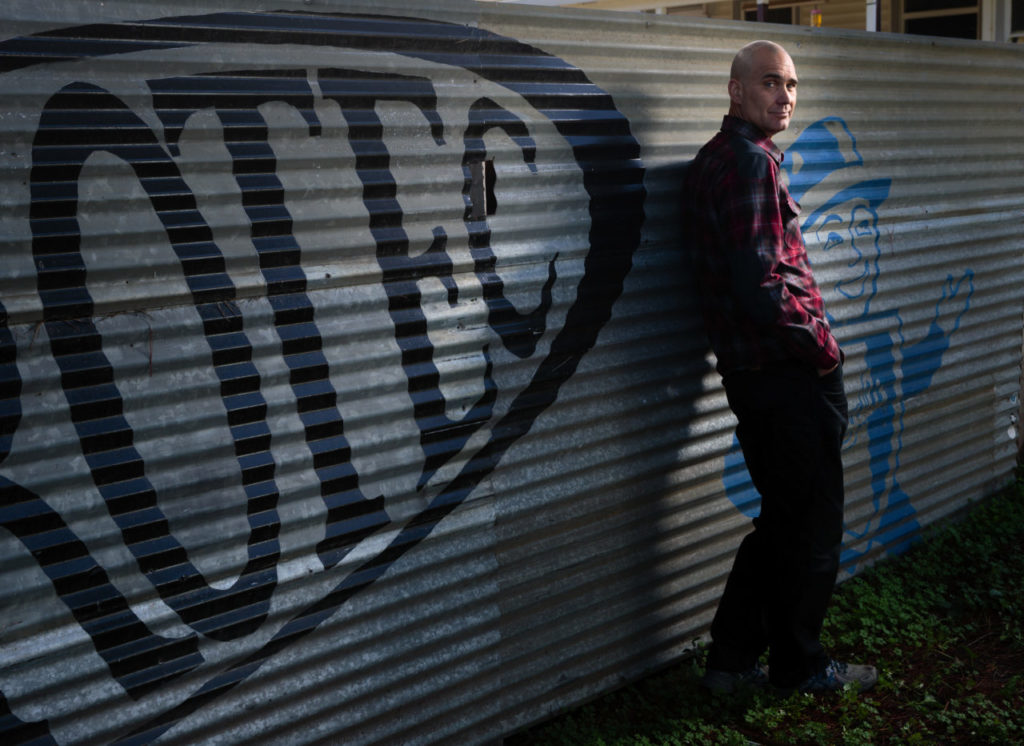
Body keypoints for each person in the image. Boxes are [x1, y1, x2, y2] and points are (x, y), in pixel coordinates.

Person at [681, 40, 878, 695]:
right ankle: (800, 665)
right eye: (770, 83)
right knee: (812, 528)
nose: (785, 96)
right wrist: (821, 350)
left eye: (791, 85)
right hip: (787, 377)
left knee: (783, 522)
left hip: (754, 376)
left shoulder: (717, 160)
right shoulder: (748, 165)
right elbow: (760, 281)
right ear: (737, 90)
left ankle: (731, 663)